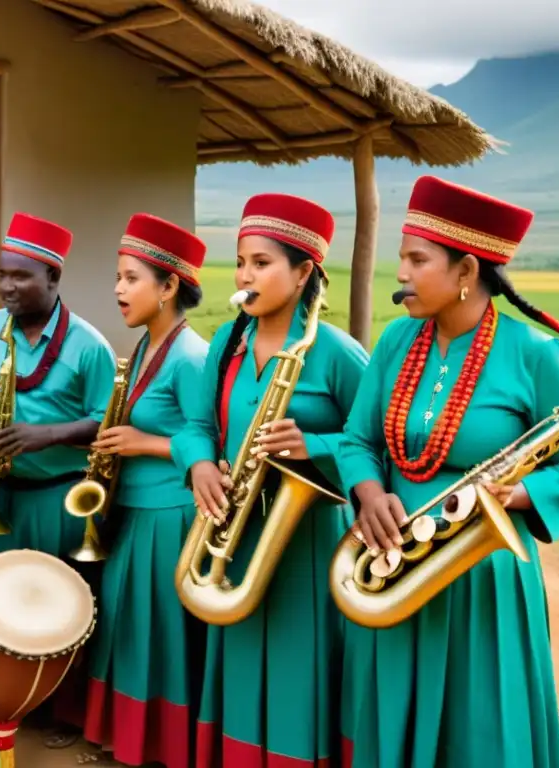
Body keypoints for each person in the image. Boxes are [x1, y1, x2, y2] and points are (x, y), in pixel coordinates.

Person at [337, 176, 559, 768]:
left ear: (465, 271)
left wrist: (514, 497)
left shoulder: (535, 353)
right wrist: (369, 489)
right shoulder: (394, 341)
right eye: (401, 257)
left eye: (416, 259)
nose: (401, 273)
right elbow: (357, 439)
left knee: (479, 726)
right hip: (394, 562)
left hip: (481, 574)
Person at [173, 194, 370, 767]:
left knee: (296, 674)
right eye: (240, 262)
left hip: (304, 545)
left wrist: (318, 447)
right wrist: (200, 463)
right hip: (231, 538)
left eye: (261, 263)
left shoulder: (336, 353)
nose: (244, 276)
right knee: (235, 661)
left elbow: (377, 444)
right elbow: (195, 426)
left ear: (304, 271)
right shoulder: (227, 347)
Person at [0, 212, 117, 746]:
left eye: (21, 277)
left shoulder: (89, 345)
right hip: (0, 496)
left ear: (54, 280)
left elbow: (107, 421)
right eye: (2, 275)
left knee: (62, 606)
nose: (7, 286)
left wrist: (50, 434)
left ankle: (61, 709)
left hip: (59, 497)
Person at [78, 214, 210, 768]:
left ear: (169, 286)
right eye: (117, 277)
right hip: (135, 514)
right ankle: (127, 741)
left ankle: (163, 748)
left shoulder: (191, 356)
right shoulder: (144, 349)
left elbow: (214, 448)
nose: (117, 290)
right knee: (130, 632)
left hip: (171, 518)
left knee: (159, 640)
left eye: (131, 278)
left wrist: (143, 443)